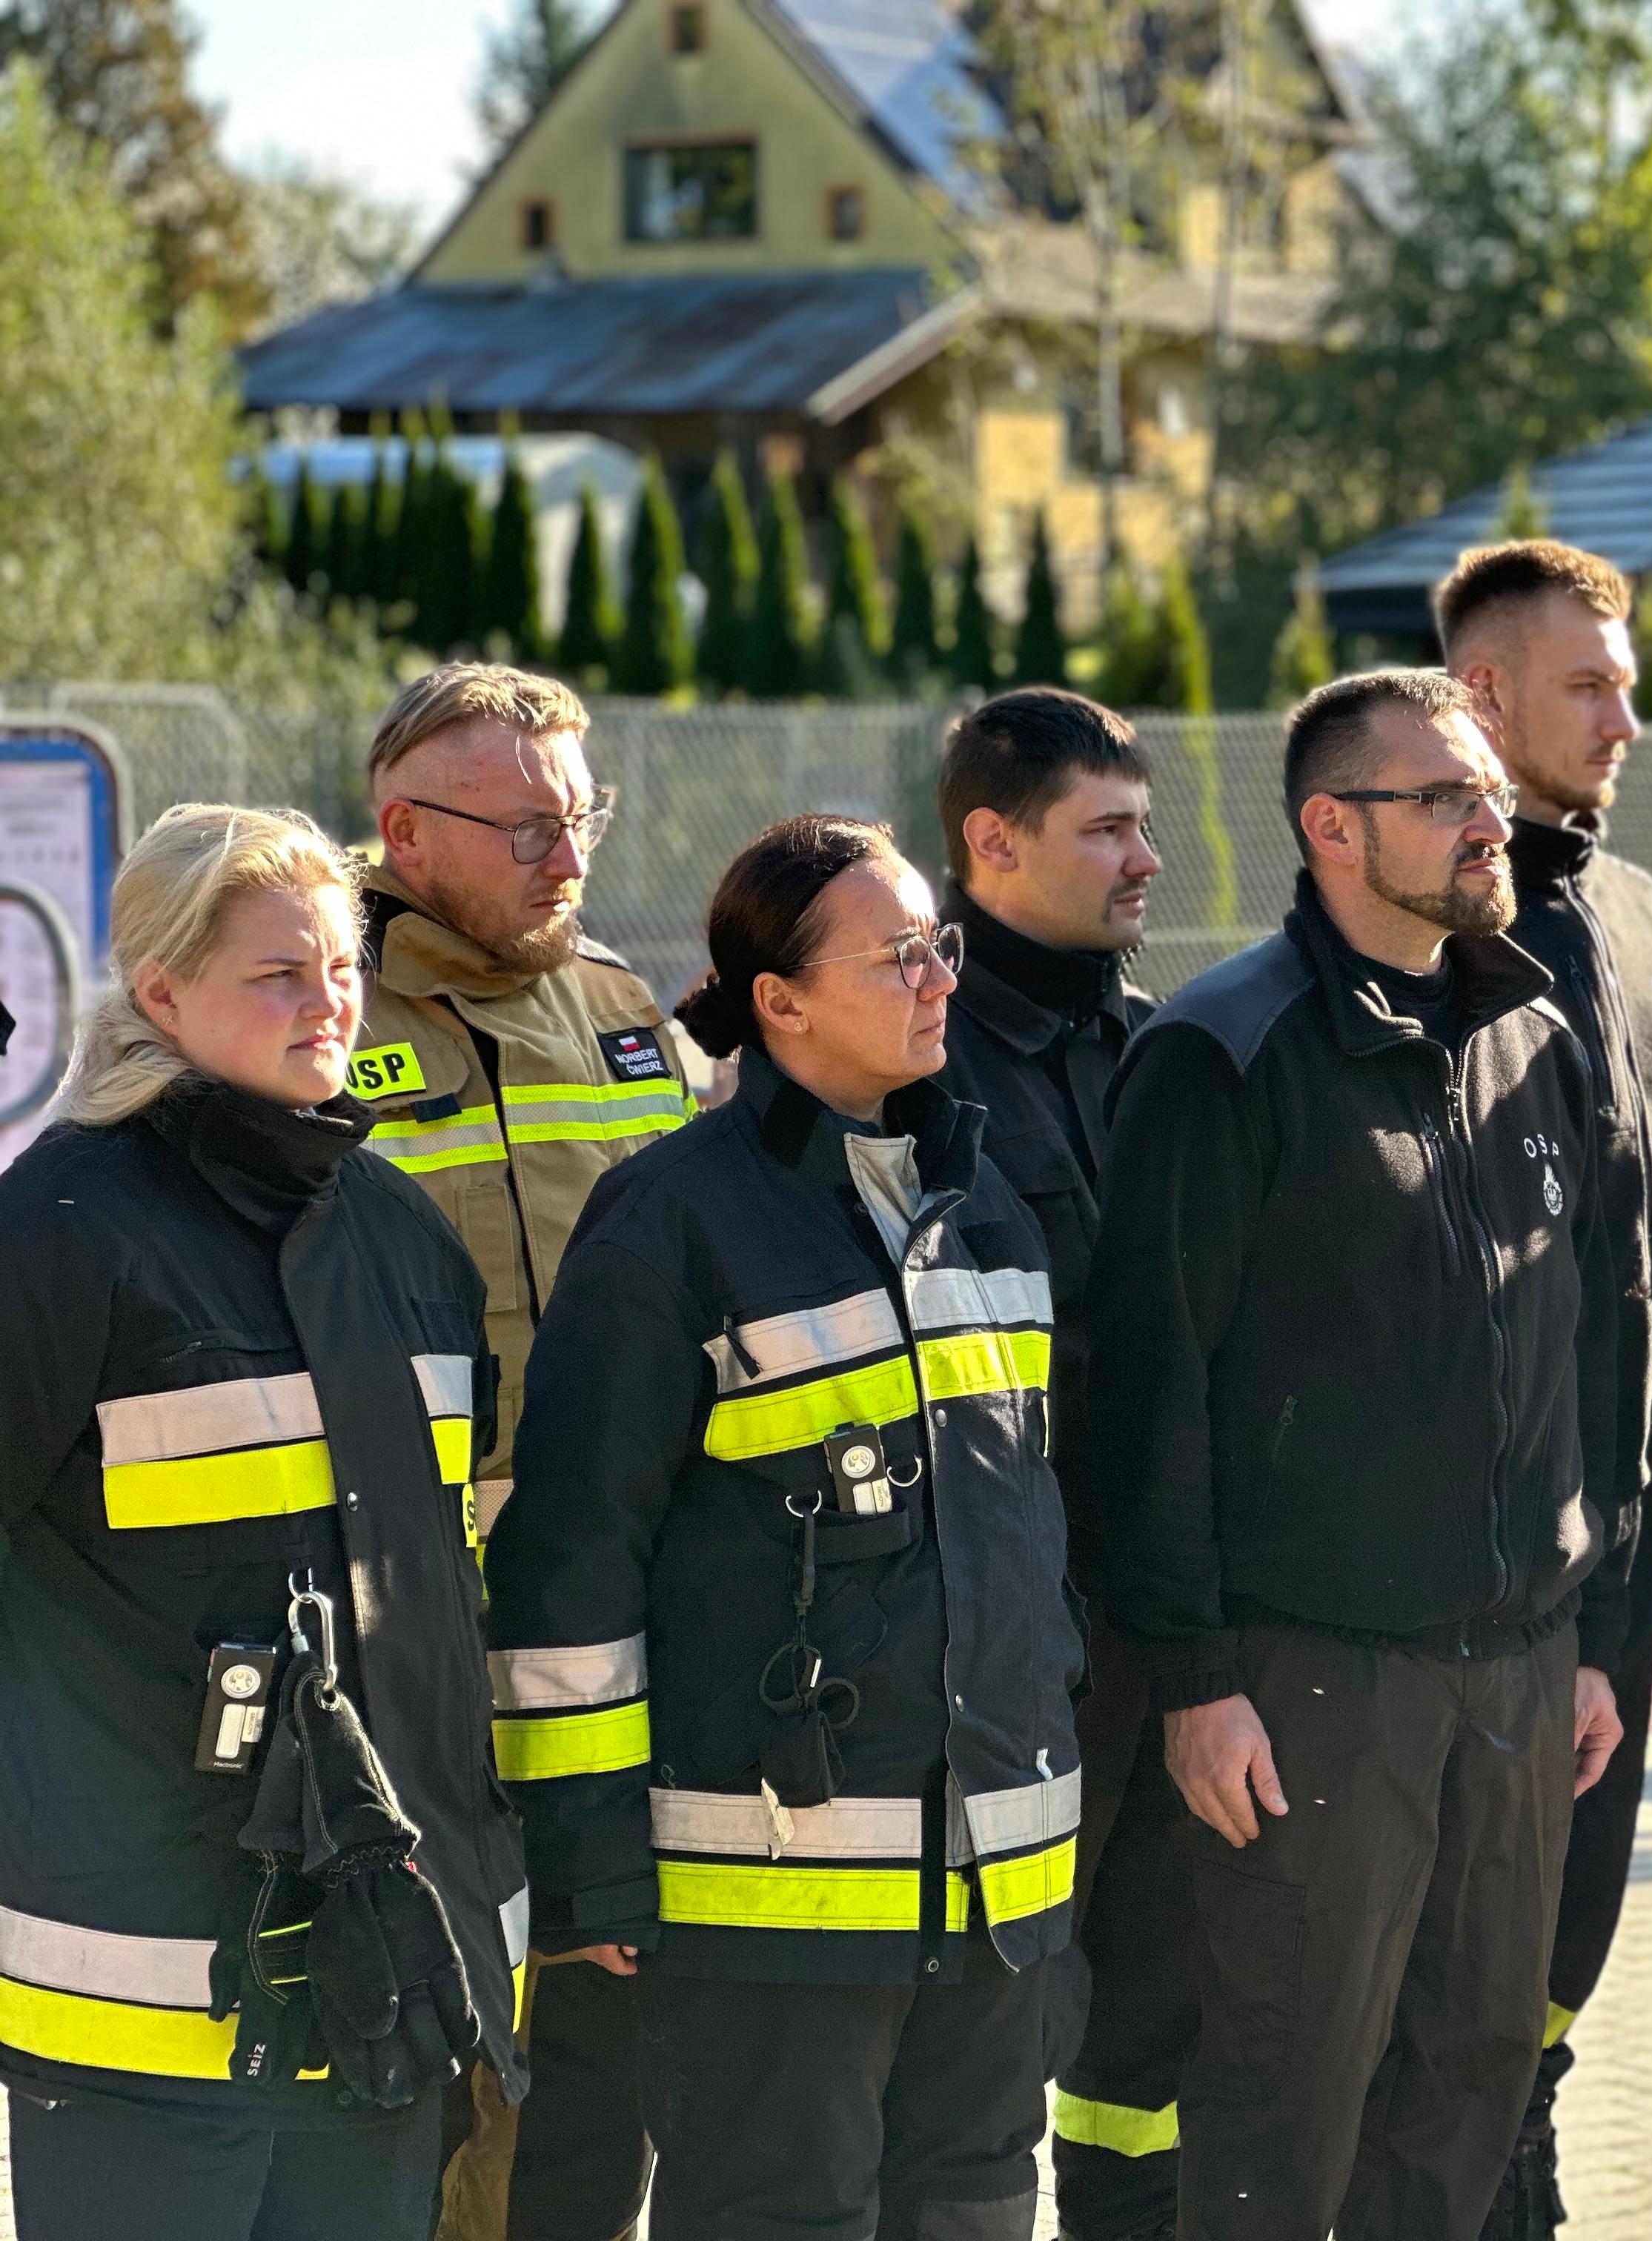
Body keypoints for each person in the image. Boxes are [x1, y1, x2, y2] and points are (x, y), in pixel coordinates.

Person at [482, 816, 1083, 2241]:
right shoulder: (670, 1220)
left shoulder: (980, 1196)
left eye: (939, 945)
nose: (940, 978)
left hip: (999, 1888)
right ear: (781, 1001)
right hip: (769, 1902)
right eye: (899, 955)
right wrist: (589, 1863)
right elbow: (572, 1563)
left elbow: (1025, 1534)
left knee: (978, 2212)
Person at [1089, 668, 1629, 2241]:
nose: (1490, 824)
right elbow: (1149, 1392)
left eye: (1488, 794)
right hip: (1315, 1685)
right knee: (1285, 2096)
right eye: (1445, 798)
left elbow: (1601, 1344)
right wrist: (1196, 1682)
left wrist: (1592, 1635)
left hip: (1522, 1679)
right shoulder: (1222, 1053)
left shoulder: (1536, 1031)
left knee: (1470, 2081)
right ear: (1333, 827)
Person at [0, 805, 529, 2240]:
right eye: (278, 974)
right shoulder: (59, 1230)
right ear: (162, 993)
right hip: (139, 1984)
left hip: (380, 1969)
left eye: (342, 968)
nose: (328, 1003)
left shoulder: (405, 1237)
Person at [348, 665, 692, 2241]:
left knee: (599, 2043)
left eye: (581, 819)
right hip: (405, 1631)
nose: (568, 858)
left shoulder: (620, 1011)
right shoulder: (317, 1010)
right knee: (438, 2049)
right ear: (405, 832)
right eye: (526, 827)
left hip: (619, 1616)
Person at [1438, 538, 1652, 2237]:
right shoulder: (1436, 926)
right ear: (1484, 693)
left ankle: (1523, 2150)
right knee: (1471, 1920)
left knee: (1579, 1914)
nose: (1628, 719)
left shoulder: (1641, 912)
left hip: (1628, 1505)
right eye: (1591, 685)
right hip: (1486, 1519)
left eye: (1630, 683)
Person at [918, 690, 1175, 2241]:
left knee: (1153, 2026)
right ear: (993, 845)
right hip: (1008, 1642)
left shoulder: (1160, 1048)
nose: (1147, 860)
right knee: (991, 2038)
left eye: (1146, 825)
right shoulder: (919, 1062)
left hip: (1165, 1620)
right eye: (1109, 830)